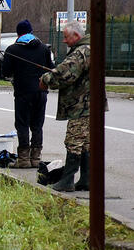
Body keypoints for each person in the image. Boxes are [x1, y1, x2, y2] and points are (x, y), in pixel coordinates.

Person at [40, 21, 102, 192]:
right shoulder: (92, 48)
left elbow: (64, 75)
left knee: (73, 141)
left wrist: (46, 79)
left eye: (66, 37)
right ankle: (87, 179)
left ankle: (67, 181)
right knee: (86, 143)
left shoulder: (81, 52)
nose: (64, 41)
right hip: (93, 104)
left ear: (76, 36)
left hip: (81, 105)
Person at [1, 19, 55, 168]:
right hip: (41, 92)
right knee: (37, 125)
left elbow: (5, 72)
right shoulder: (44, 49)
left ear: (18, 34)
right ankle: (36, 158)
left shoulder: (12, 50)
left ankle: (24, 159)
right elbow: (51, 68)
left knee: (22, 124)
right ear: (31, 32)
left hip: (23, 93)